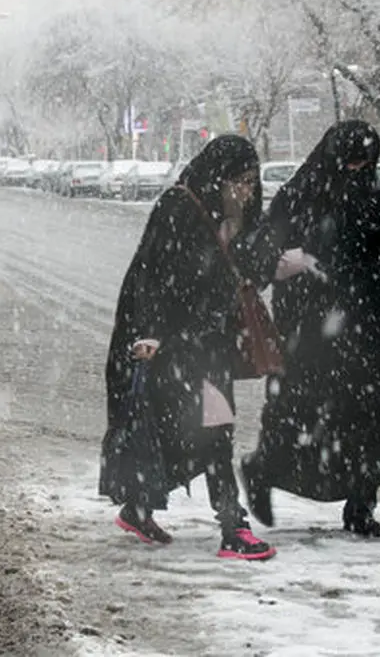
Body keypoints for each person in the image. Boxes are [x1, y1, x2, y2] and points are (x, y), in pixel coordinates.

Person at [99, 135, 296, 560]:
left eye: (251, 181)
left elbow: (244, 272)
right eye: (238, 181)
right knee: (213, 433)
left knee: (192, 434)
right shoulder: (179, 207)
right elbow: (152, 276)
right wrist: (149, 333)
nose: (246, 190)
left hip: (209, 345)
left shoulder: (232, 217)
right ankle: (233, 528)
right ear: (217, 177)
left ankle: (137, 508)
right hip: (174, 345)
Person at [241, 120, 380, 540]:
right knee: (300, 414)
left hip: (374, 330)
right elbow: (265, 257)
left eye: (366, 160)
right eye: (351, 159)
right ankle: (263, 470)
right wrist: (305, 264)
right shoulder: (299, 196)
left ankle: (361, 507)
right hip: (315, 334)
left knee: (373, 419)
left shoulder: (373, 198)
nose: (357, 167)